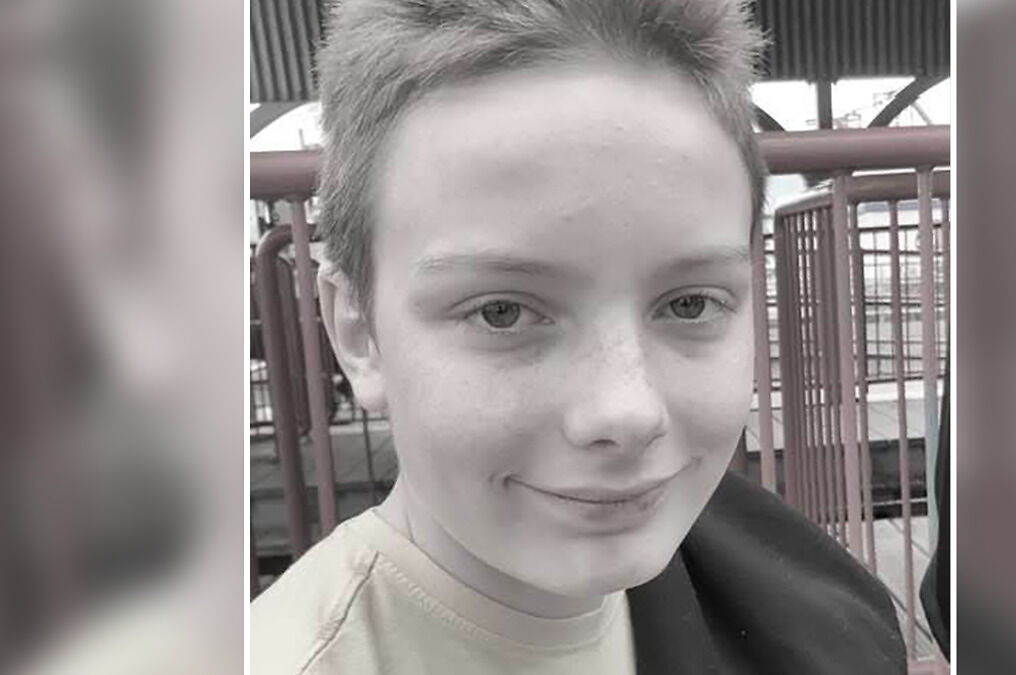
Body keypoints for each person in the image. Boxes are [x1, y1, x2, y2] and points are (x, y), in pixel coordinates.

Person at [250, 1, 905, 672]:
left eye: (689, 304)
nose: (627, 412)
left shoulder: (819, 606)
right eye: (502, 312)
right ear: (358, 331)